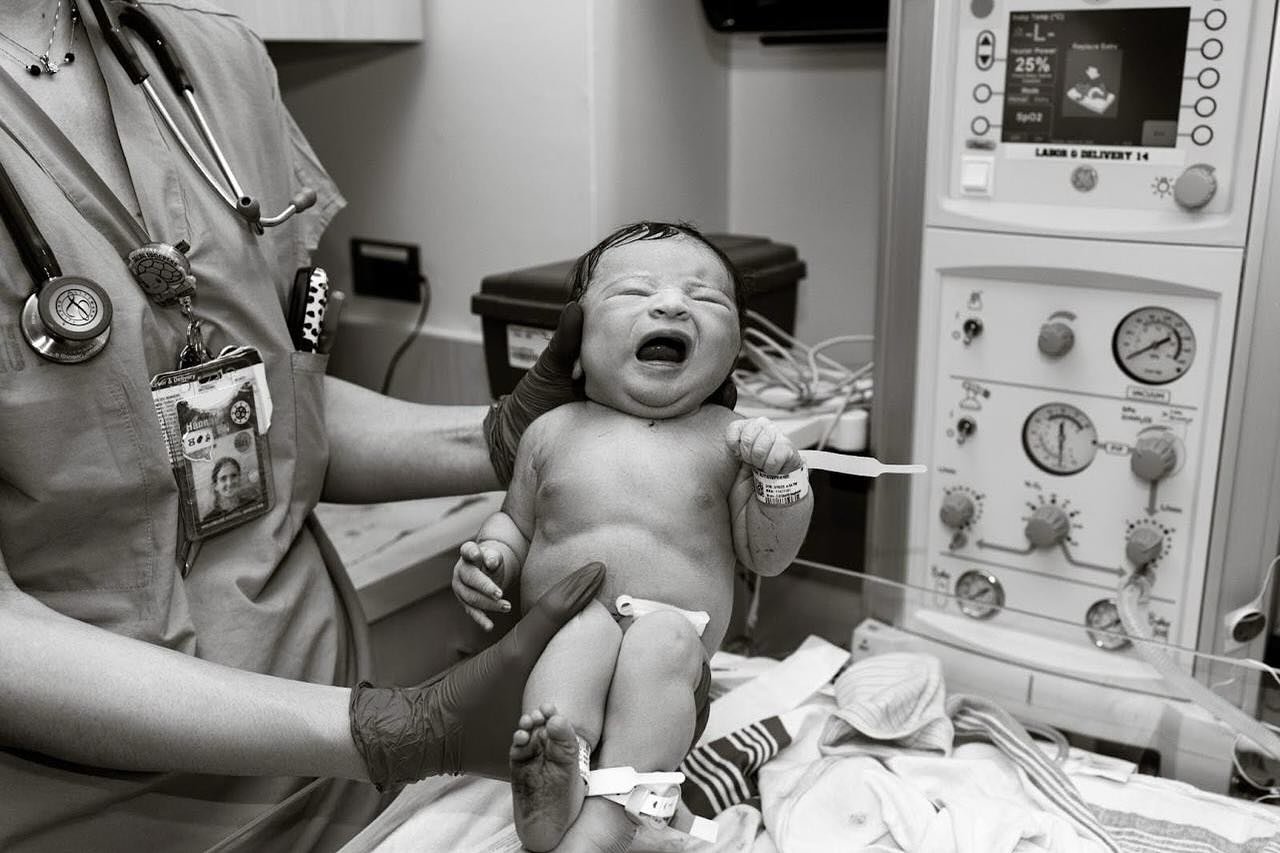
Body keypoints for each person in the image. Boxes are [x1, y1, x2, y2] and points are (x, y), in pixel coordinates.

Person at [0, 2, 627, 849]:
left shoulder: (211, 59)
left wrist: (505, 437)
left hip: (343, 775)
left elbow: (276, 411)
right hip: (108, 815)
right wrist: (393, 728)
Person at [451, 221, 814, 851]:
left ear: (736, 350)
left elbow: (768, 555)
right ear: (578, 335)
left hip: (673, 647)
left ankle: (616, 811)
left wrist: (782, 484)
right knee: (577, 633)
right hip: (566, 625)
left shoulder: (728, 441)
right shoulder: (550, 432)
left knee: (665, 640)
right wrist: (492, 559)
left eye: (705, 299)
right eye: (634, 292)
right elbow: (515, 522)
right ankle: (551, 776)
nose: (672, 303)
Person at [204, 456, 245, 521]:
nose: (229, 483)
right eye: (223, 478)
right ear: (215, 486)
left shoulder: (253, 504)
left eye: (233, 476)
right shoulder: (209, 520)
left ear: (240, 479)